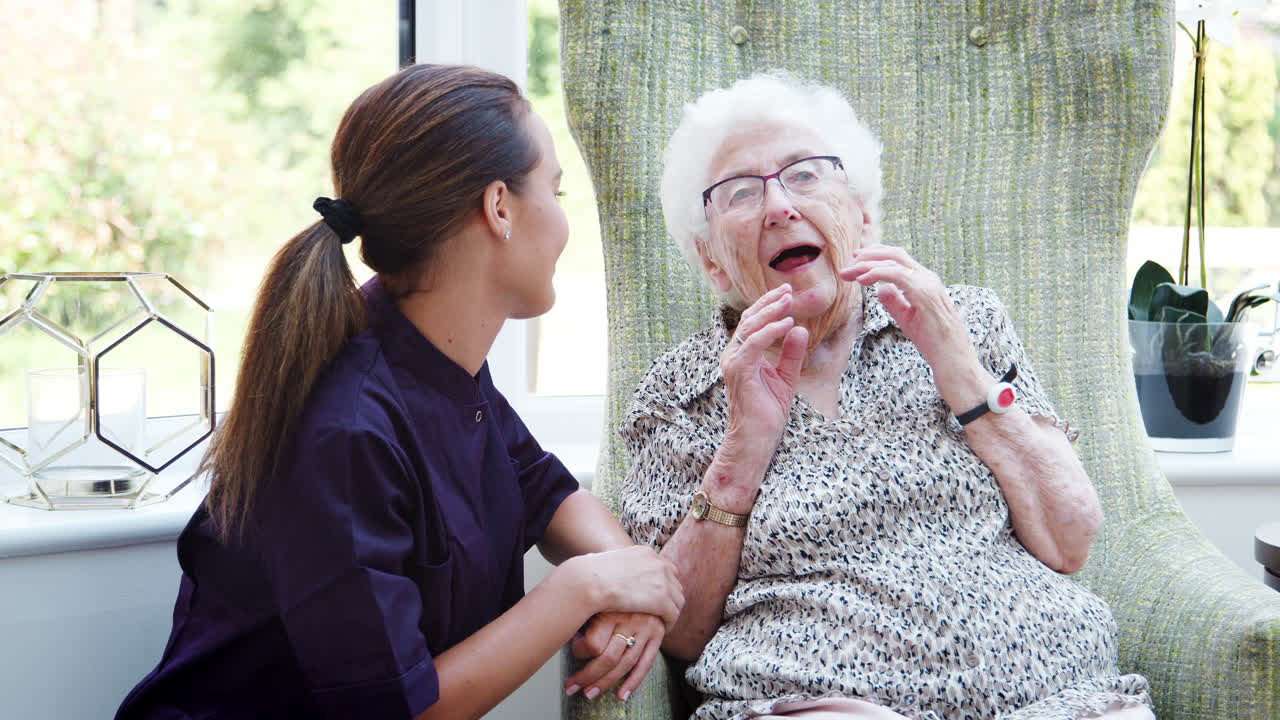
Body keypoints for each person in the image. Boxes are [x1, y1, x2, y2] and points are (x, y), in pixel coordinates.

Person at [115, 64, 683, 720]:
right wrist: (579, 591)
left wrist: (628, 578)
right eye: (554, 191)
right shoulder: (347, 428)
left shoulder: (432, 349)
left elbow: (544, 492)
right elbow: (395, 711)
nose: (563, 225)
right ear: (499, 207)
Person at [614, 72, 1155, 720]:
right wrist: (741, 455)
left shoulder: (965, 323)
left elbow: (1071, 541)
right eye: (740, 192)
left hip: (1058, 696)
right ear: (711, 260)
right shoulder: (681, 391)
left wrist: (962, 371)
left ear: (863, 216)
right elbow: (681, 632)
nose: (780, 206)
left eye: (806, 175)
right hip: (824, 704)